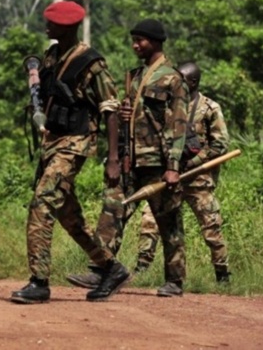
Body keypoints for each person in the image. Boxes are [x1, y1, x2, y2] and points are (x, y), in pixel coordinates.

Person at [9, 1, 130, 304]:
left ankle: (39, 282)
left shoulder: (91, 63)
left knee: (42, 203)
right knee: (69, 216)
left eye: (51, 23)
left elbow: (110, 109)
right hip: (52, 142)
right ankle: (111, 268)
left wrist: (113, 158)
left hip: (75, 143)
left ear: (67, 27)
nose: (46, 26)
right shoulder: (51, 56)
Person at [67, 18, 189, 297]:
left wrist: (173, 166)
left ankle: (175, 280)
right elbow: (132, 118)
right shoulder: (134, 76)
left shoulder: (173, 78)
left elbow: (179, 125)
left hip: (158, 163)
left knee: (168, 222)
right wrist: (125, 120)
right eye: (133, 40)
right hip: (130, 160)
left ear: (155, 42)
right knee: (112, 210)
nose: (135, 45)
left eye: (140, 40)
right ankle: (101, 269)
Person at [134, 62, 230, 282]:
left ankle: (222, 275)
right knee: (149, 222)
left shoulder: (209, 108)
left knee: (211, 226)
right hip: (169, 177)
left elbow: (220, 144)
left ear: (193, 82)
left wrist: (193, 162)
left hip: (198, 179)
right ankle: (141, 269)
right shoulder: (167, 106)